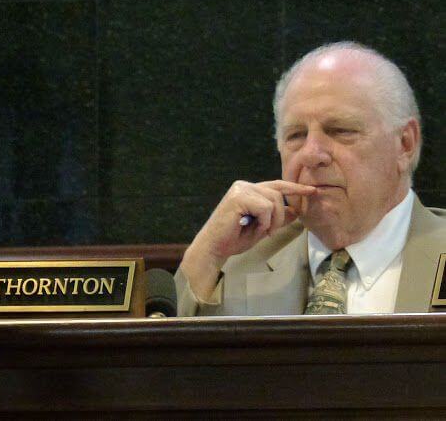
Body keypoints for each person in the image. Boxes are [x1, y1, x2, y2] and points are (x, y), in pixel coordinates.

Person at [176, 41, 446, 317]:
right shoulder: (234, 265)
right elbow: (170, 355)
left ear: (405, 144)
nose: (311, 154)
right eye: (296, 135)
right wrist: (206, 253)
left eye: (340, 130)